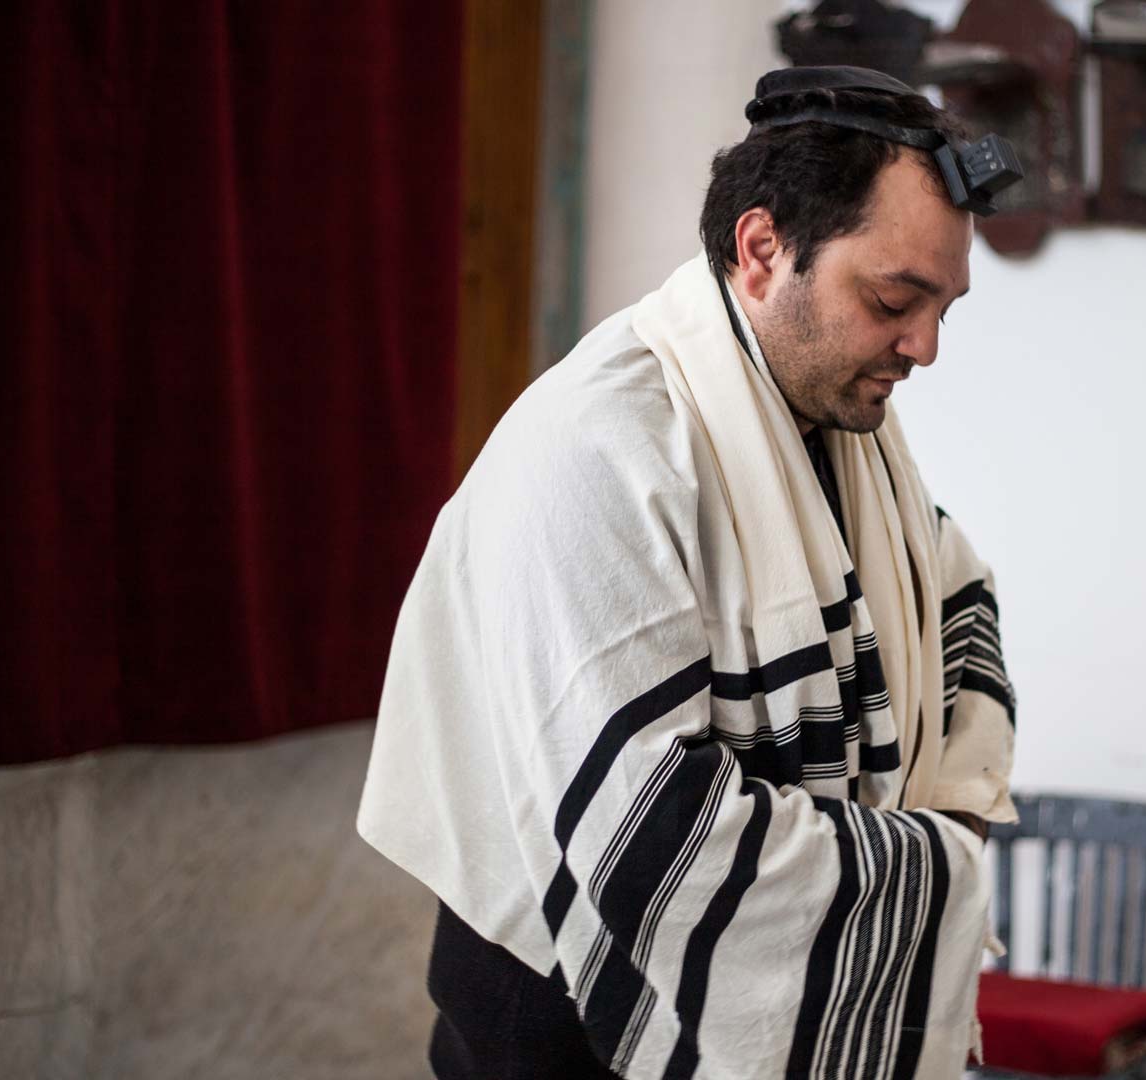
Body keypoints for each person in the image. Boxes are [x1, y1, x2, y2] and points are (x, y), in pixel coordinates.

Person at [357, 66, 1019, 1080]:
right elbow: (657, 834)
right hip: (567, 1027)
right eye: (894, 299)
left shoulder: (843, 427)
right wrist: (938, 866)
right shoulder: (601, 446)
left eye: (944, 308)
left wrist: (949, 812)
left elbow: (957, 604)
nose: (924, 346)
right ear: (761, 251)